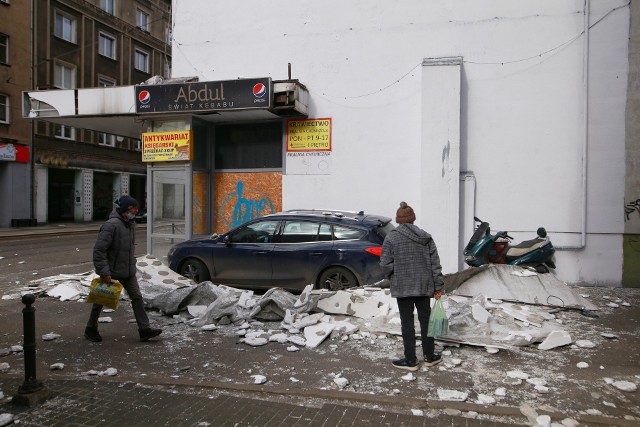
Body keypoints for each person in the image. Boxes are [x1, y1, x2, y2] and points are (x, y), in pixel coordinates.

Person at [84, 195, 162, 343]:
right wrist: (104, 272)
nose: (136, 211)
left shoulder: (130, 224)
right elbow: (99, 251)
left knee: (137, 297)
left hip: (127, 271)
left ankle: (144, 330)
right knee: (101, 298)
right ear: (125, 209)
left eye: (136, 208)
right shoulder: (111, 225)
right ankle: (90, 328)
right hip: (111, 271)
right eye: (133, 208)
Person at [380, 201, 444, 371]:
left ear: (398, 220)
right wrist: (438, 287)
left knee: (407, 323)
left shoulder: (391, 237)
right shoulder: (426, 237)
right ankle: (429, 357)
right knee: (426, 322)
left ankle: (410, 361)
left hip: (403, 287)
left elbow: (385, 264)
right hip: (424, 286)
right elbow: (435, 265)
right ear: (413, 219)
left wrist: (396, 274)